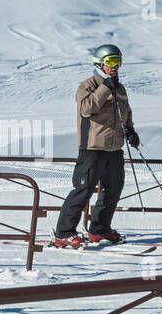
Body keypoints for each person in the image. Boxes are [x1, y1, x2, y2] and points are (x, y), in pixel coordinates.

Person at [52, 44, 140, 248]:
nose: (115, 66)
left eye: (118, 61)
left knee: (113, 189)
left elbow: (126, 112)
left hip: (114, 148)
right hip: (92, 148)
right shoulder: (89, 85)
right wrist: (105, 88)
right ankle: (63, 233)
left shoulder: (120, 87)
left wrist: (131, 131)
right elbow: (86, 108)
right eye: (110, 62)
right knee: (83, 190)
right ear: (99, 63)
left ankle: (99, 229)